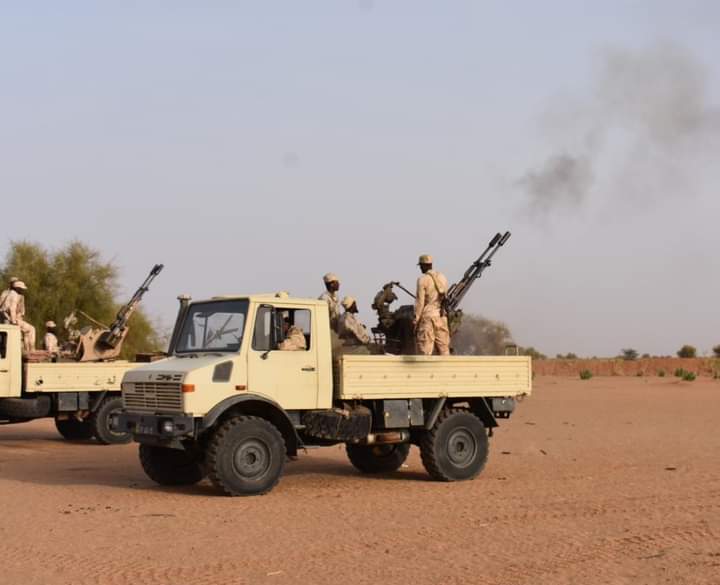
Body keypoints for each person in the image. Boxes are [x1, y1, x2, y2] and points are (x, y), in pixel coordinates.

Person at [414, 254, 450, 356]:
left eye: (421, 266)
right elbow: (445, 298)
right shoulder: (442, 277)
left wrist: (416, 321)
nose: (420, 268)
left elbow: (420, 303)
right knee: (444, 349)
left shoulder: (422, 280)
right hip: (441, 317)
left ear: (424, 265)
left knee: (425, 350)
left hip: (428, 317)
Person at [0, 280, 36, 352]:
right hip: (10, 319)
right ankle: (30, 350)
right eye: (21, 289)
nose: (22, 290)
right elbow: (12, 309)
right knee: (31, 329)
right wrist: (13, 321)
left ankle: (26, 350)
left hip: (7, 318)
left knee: (12, 338)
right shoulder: (14, 295)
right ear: (17, 288)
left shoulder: (10, 294)